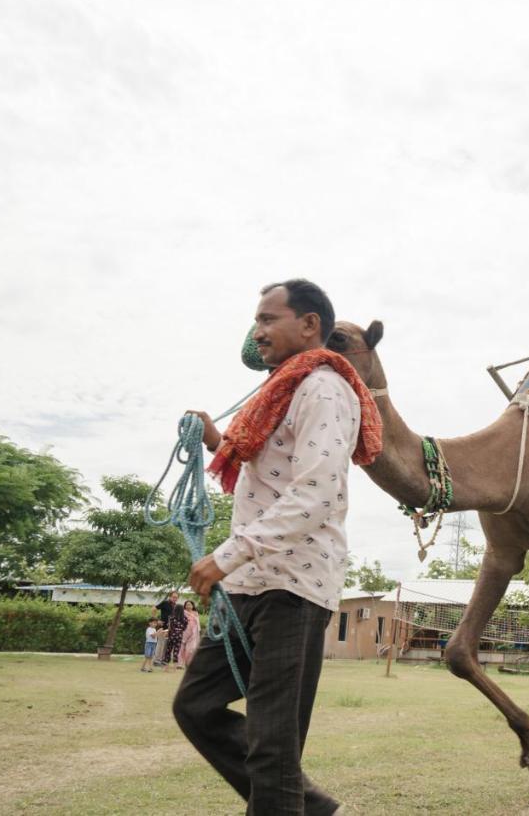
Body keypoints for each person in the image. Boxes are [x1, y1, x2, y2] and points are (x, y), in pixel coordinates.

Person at [172, 278, 382, 815]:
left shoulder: (324, 389)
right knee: (196, 705)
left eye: (269, 319)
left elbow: (316, 491)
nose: (257, 330)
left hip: (293, 584)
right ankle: (309, 805)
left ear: (310, 324)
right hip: (251, 582)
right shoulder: (282, 391)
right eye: (257, 320)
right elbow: (269, 467)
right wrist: (217, 441)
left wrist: (226, 555)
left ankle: (290, 800)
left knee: (272, 745)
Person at [154, 591, 178, 665]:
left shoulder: (175, 606)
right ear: (170, 597)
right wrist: (156, 620)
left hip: (171, 628)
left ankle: (163, 660)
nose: (175, 598)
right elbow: (154, 608)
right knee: (160, 643)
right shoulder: (165, 603)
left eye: (176, 597)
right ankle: (156, 661)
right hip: (163, 627)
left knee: (167, 645)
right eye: (173, 597)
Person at [164, 602, 188, 672]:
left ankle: (166, 668)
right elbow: (184, 628)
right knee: (176, 651)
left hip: (172, 635)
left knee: (168, 650)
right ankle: (174, 668)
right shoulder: (185, 618)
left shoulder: (171, 617)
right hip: (179, 635)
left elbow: (170, 627)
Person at [178, 600, 201, 668]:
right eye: (187, 605)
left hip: (193, 633)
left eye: (190, 605)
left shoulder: (195, 613)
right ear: (184, 606)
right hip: (183, 632)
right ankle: (180, 664)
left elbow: (197, 623)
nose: (188, 606)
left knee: (191, 649)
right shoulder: (182, 613)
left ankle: (188, 663)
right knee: (181, 648)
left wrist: (198, 631)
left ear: (193, 606)